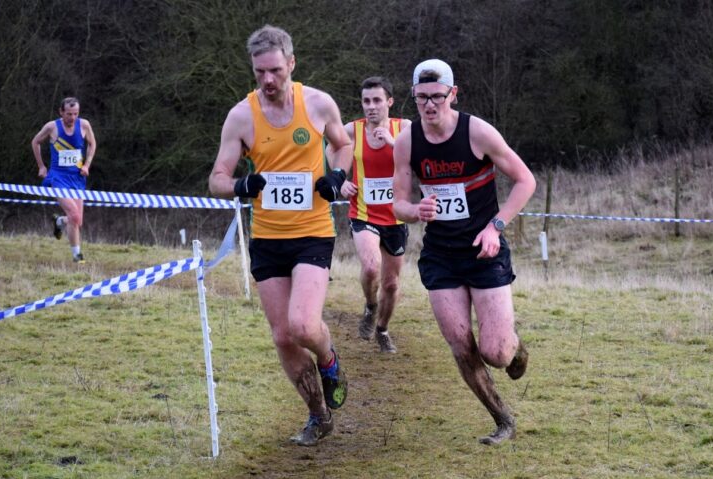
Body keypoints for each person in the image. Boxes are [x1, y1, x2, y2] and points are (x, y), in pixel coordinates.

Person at [208, 25, 352, 447]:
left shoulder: (319, 104)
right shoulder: (241, 116)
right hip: (268, 238)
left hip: (312, 231)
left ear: (291, 63)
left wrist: (335, 176)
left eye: (274, 70)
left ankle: (329, 362)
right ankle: (317, 415)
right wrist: (240, 186)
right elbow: (217, 177)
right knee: (282, 336)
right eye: (259, 73)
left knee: (304, 324)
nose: (267, 81)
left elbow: (343, 146)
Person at [392, 59, 536, 445]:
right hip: (441, 256)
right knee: (460, 343)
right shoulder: (407, 141)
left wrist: (497, 226)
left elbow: (525, 180)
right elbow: (398, 205)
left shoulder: (478, 132)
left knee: (496, 352)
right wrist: (415, 210)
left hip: (484, 251)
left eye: (436, 97)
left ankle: (515, 345)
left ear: (452, 94)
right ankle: (502, 419)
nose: (429, 105)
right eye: (421, 98)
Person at [335, 77, 411, 353]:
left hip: (396, 216)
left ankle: (382, 328)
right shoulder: (351, 131)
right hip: (363, 212)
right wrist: (339, 179)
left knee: (390, 284)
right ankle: (369, 305)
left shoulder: (403, 129)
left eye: (377, 100)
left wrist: (393, 143)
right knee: (370, 266)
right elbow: (328, 149)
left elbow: (417, 161)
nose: (371, 106)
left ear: (389, 102)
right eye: (366, 101)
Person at [31, 97, 97, 263]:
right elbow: (35, 142)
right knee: (74, 214)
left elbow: (92, 144)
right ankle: (77, 256)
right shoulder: (52, 127)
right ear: (61, 112)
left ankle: (60, 221)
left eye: (75, 114)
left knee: (77, 220)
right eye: (69, 114)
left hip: (77, 178)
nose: (72, 118)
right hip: (58, 178)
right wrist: (41, 166)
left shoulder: (84, 125)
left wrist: (87, 165)